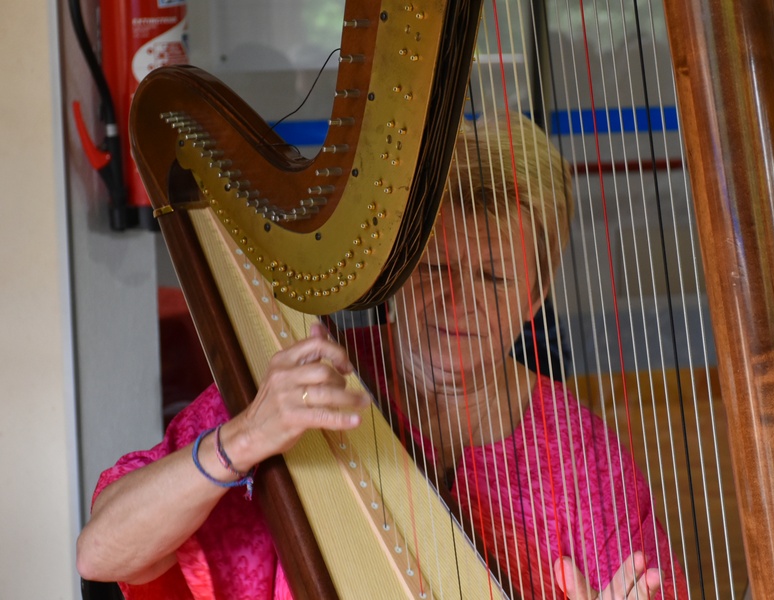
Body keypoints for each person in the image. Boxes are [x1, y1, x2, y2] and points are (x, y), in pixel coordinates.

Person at [77, 113, 685, 600]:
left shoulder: (587, 463)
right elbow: (101, 552)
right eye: (437, 268)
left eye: (493, 278)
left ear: (535, 296)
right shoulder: (310, 378)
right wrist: (242, 440)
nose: (459, 301)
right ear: (392, 274)